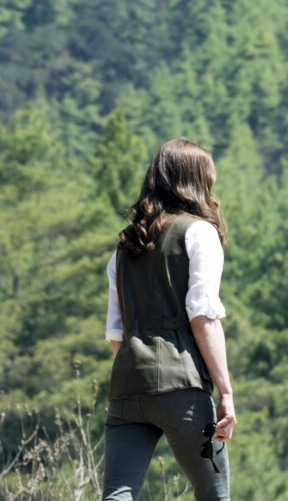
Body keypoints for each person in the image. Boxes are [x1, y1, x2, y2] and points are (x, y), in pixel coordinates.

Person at [103, 138, 236, 500]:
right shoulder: (198, 233)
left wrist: (140, 373)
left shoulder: (126, 245)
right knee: (214, 494)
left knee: (117, 494)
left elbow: (116, 333)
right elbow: (203, 316)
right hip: (182, 387)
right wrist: (225, 392)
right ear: (196, 183)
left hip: (127, 388)